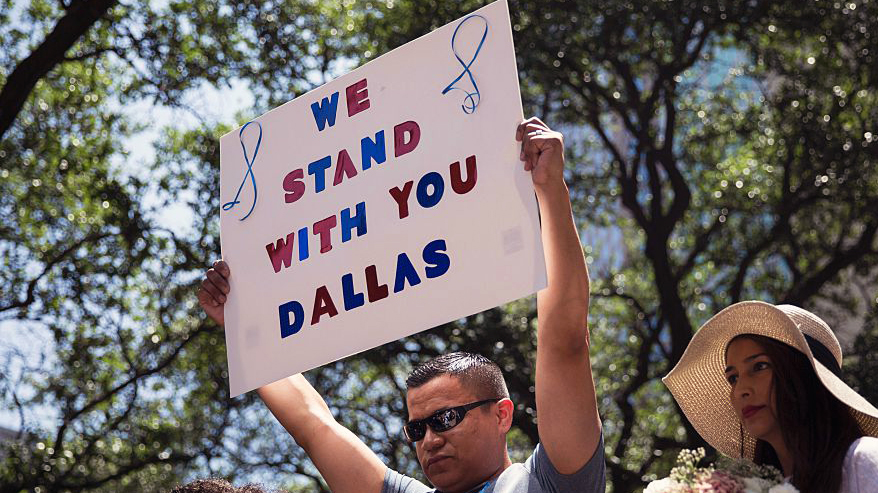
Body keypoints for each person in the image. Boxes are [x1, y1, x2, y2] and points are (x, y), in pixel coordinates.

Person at [197, 118, 606, 493]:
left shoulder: (548, 482)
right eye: (417, 430)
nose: (430, 441)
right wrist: (242, 324)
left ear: (502, 415)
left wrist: (550, 190)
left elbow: (565, 342)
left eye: (445, 419)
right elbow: (314, 426)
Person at [663, 301, 878, 493]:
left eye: (759, 366)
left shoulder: (862, 462)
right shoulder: (759, 488)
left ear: (804, 375)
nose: (740, 390)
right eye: (733, 378)